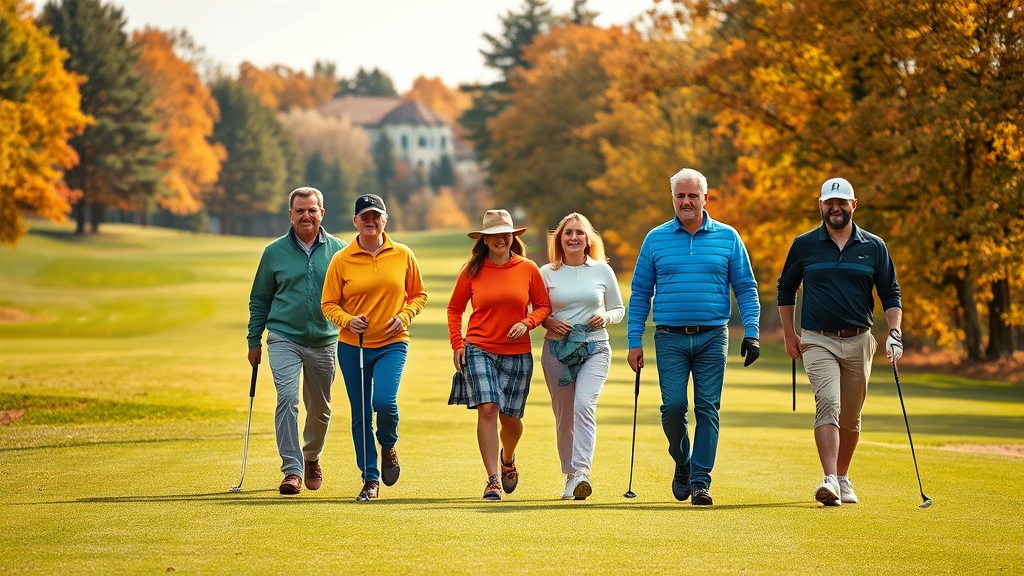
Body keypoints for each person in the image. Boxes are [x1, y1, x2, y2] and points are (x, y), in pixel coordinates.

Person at [627, 168, 761, 507]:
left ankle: (700, 481)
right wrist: (634, 340)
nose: (686, 201)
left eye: (692, 195)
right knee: (672, 408)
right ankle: (683, 462)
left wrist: (753, 332)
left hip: (713, 337)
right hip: (669, 337)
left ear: (706, 197)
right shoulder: (655, 239)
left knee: (708, 408)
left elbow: (745, 287)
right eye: (679, 196)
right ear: (672, 198)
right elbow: (641, 292)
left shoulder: (728, 237)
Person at [777, 177, 903, 507]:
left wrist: (894, 332)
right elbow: (785, 289)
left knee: (851, 417)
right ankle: (829, 478)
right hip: (818, 340)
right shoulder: (804, 244)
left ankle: (843, 476)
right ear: (820, 205)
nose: (835, 208)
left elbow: (890, 292)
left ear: (853, 205)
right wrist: (790, 334)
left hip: (860, 339)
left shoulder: (874, 246)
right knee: (828, 404)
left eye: (841, 203)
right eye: (828, 203)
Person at [321, 193, 428, 502]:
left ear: (385, 220)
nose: (370, 221)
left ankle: (388, 445)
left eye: (375, 216)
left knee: (384, 403)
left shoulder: (403, 254)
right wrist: (347, 320)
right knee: (361, 413)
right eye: (363, 216)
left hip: (392, 344)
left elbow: (419, 294)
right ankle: (370, 478)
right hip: (352, 345)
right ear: (355, 221)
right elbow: (328, 303)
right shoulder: (341, 259)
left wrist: (405, 315)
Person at [247, 186, 347, 496]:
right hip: (283, 337)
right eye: (300, 210)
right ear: (290, 215)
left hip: (325, 340)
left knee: (321, 409)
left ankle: (311, 457)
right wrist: (254, 340)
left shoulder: (341, 251)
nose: (306, 215)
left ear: (322, 213)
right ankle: (292, 470)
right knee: (287, 400)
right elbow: (260, 299)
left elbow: (352, 296)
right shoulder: (273, 252)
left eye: (312, 210)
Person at [447, 209, 551, 501]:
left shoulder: (528, 268)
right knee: (488, 408)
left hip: (518, 355)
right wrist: (458, 344)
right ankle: (492, 479)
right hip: (479, 348)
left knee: (511, 420)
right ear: (485, 240)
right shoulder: (471, 271)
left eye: (505, 234)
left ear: (512, 237)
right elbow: (454, 309)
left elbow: (543, 306)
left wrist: (526, 322)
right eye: (494, 235)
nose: (501, 239)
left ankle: (509, 456)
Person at [539, 213, 624, 500]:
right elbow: (534, 309)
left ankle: (582, 473)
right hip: (556, 351)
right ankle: (570, 476)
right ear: (559, 239)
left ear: (588, 240)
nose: (573, 237)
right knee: (564, 416)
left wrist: (605, 316)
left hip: (595, 347)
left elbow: (618, 308)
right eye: (567, 233)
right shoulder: (546, 272)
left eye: (579, 232)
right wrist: (548, 321)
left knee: (584, 405)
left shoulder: (602, 271)